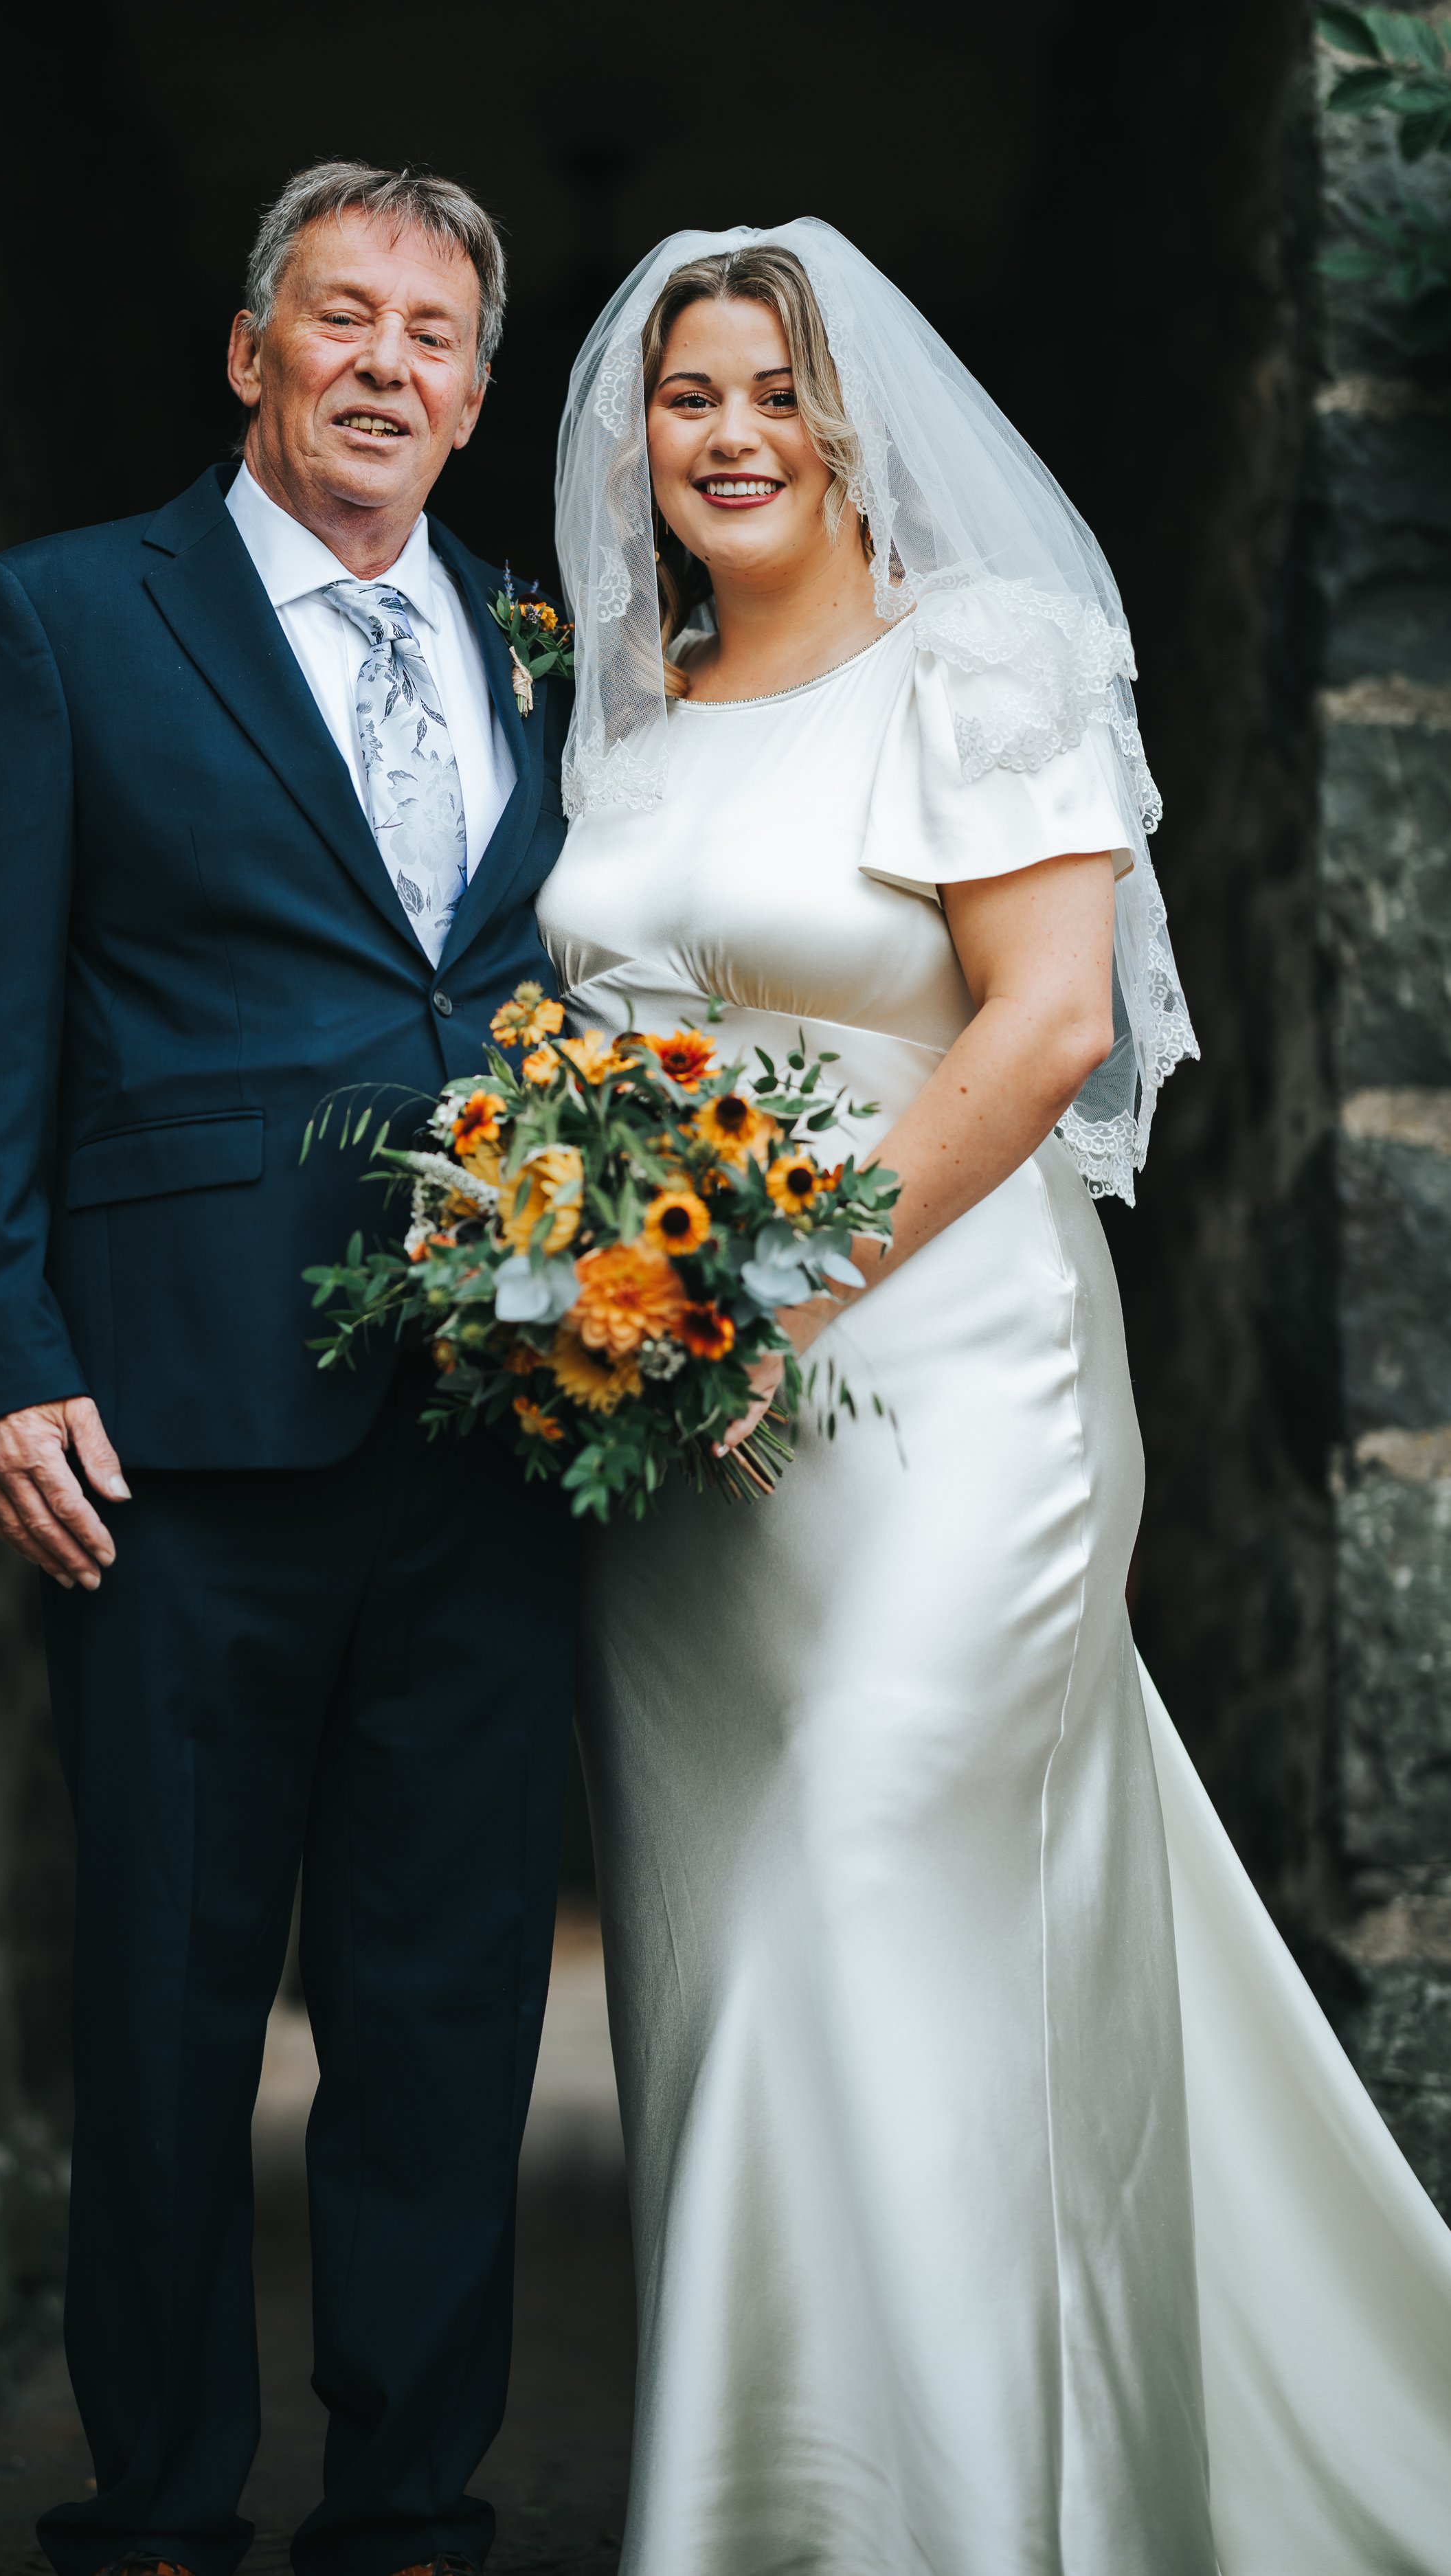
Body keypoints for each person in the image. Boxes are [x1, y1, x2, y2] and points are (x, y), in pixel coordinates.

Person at [541, 220, 1451, 2574]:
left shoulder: (990, 658)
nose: (728, 435)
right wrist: (590, 1286)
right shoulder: (634, 718)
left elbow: (1042, 1023)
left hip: (942, 1366)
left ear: (854, 422)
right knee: (743, 1946)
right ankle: (777, 2509)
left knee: (867, 1854)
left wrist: (771, 1295)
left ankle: (959, 2517)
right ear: (635, 442)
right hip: (695, 1442)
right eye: (685, 396)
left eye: (774, 390)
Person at [0, 162, 577, 2576]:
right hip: (170, 1423)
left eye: (430, 335)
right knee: (174, 2000)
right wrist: (0, 1356)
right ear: (247, 351)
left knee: (445, 2001)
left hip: (504, 1420)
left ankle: (409, 2498)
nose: (384, 364)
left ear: (480, 395)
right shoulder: (70, 619)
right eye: (340, 318)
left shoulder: (549, 639)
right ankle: (158, 2497)